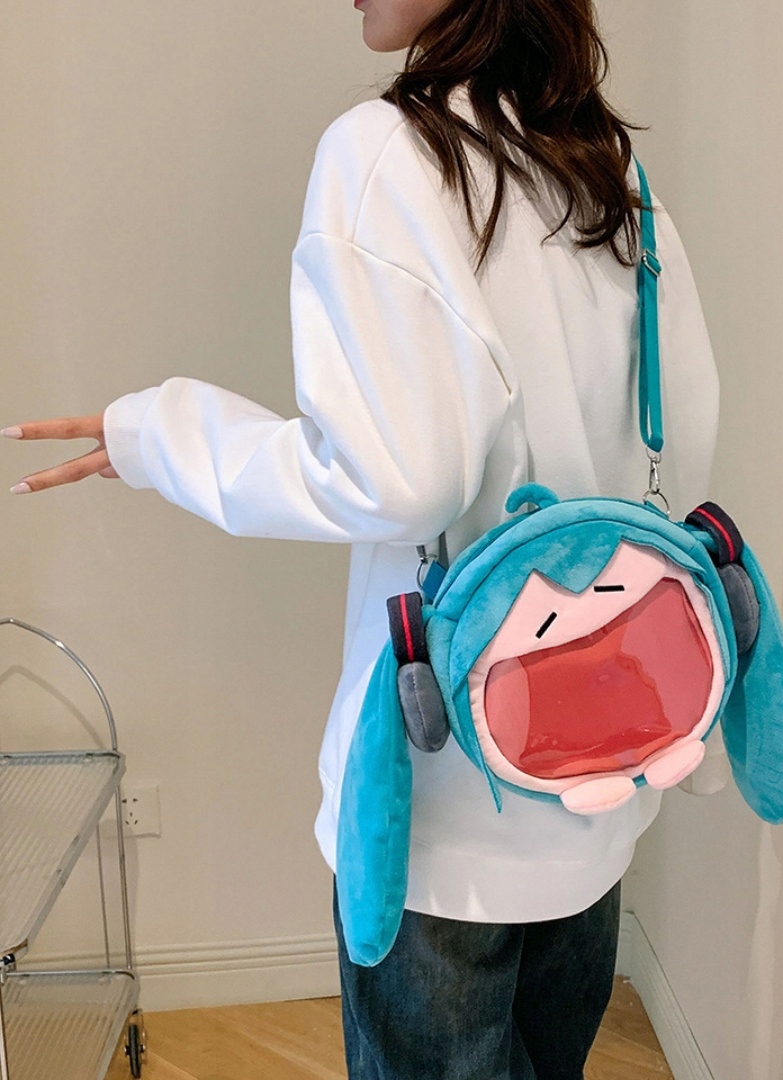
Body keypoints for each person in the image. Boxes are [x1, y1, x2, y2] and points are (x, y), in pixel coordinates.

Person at [3, 1, 720, 1077]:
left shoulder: (387, 154)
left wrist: (160, 436)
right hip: (602, 776)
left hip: (442, 806)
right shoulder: (607, 169)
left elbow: (397, 483)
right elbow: (687, 432)